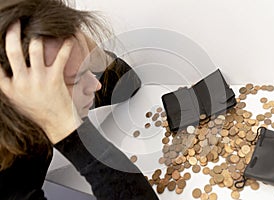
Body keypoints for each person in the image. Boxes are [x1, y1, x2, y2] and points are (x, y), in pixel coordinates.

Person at [0, 0, 158, 199]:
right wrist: (69, 132)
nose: (96, 85)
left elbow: (127, 86)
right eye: (74, 78)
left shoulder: (39, 98)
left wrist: (94, 56)